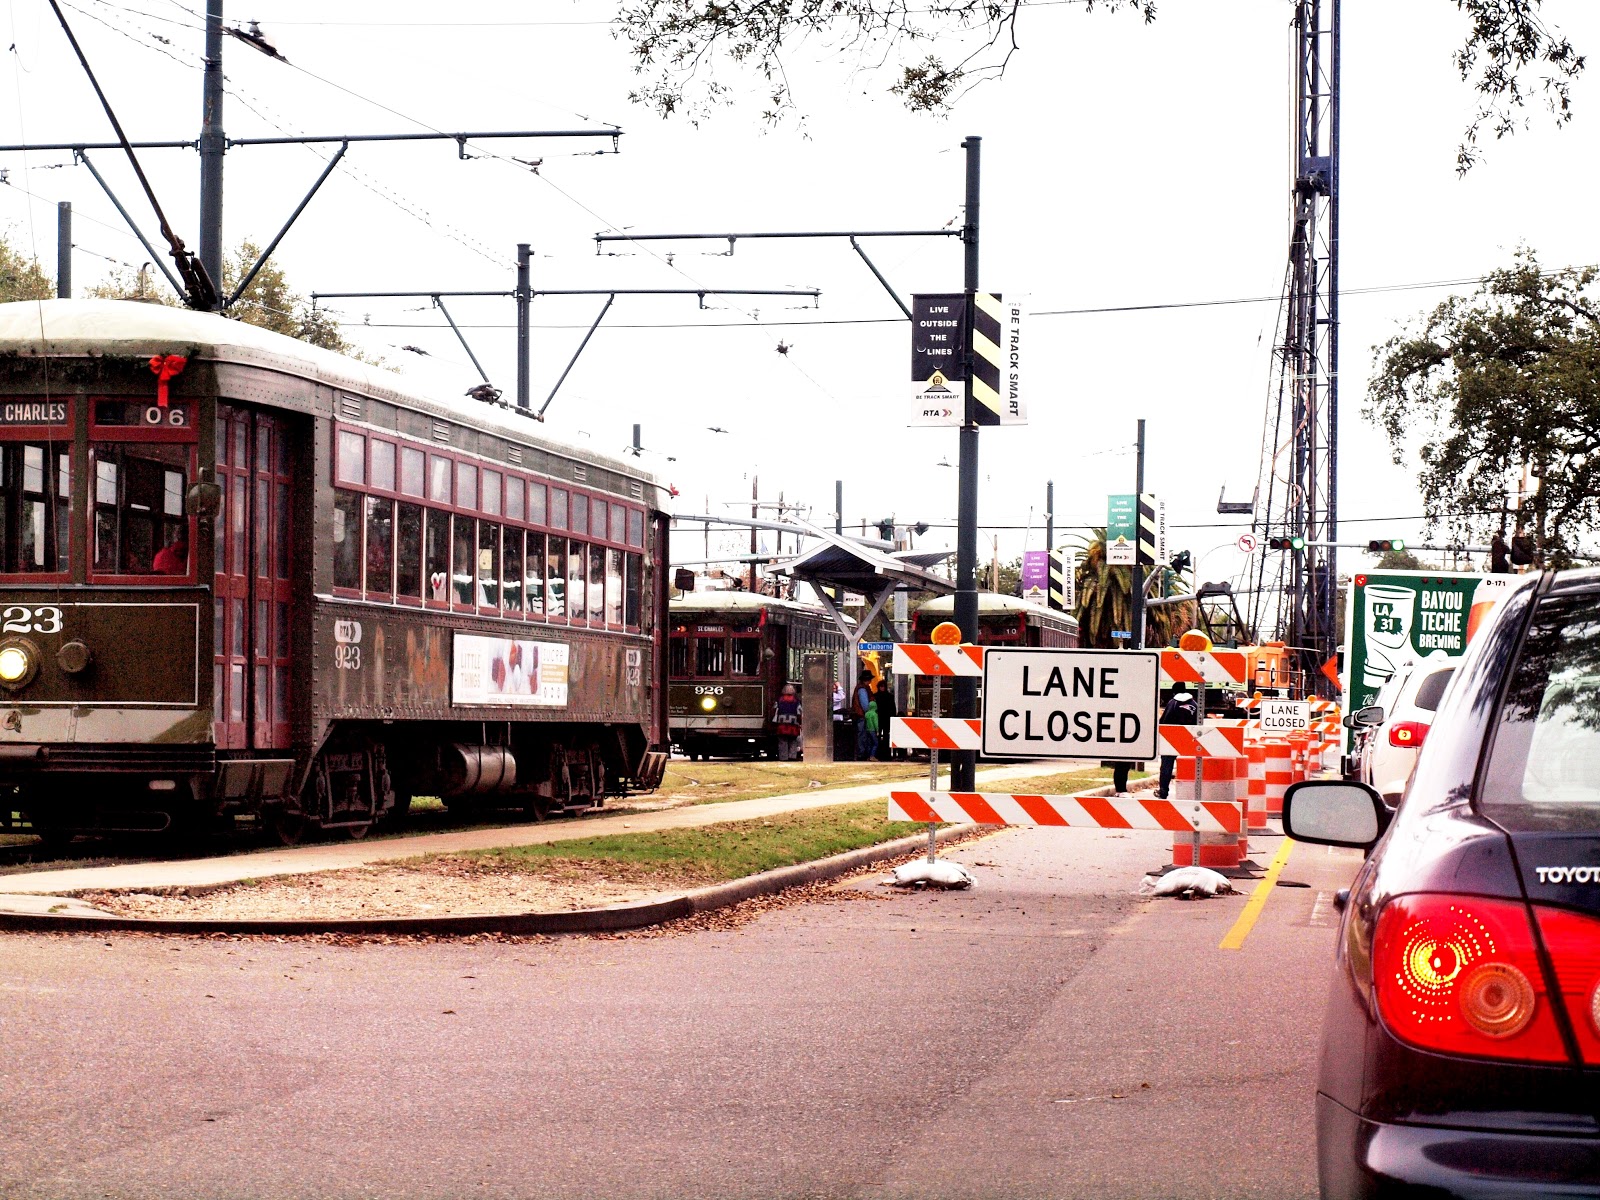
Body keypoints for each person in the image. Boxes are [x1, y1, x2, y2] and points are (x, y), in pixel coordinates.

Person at [1156, 690, 1199, 799]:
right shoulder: (1194, 705)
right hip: (1187, 739)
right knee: (1189, 765)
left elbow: (1163, 721)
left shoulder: (1172, 703)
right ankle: (1189, 793)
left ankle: (1163, 791)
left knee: (1166, 766)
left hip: (1170, 738)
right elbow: (1199, 723)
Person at [773, 683, 803, 761]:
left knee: (783, 742)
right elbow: (800, 713)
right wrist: (800, 722)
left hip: (782, 725)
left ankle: (783, 758)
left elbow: (774, 711)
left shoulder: (779, 700)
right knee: (793, 741)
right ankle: (792, 757)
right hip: (793, 725)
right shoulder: (796, 702)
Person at [852, 669, 875, 760]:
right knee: (863, 735)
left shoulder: (861, 688)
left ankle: (862, 753)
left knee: (862, 734)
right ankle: (862, 754)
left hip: (861, 715)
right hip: (863, 716)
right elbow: (865, 705)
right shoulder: (862, 689)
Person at [874, 675, 897, 761]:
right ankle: (879, 753)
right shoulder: (876, 696)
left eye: (883, 686)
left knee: (887, 736)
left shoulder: (889, 696)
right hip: (878, 719)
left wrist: (893, 718)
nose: (882, 688)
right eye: (881, 686)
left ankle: (886, 754)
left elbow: (893, 708)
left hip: (886, 719)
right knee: (878, 736)